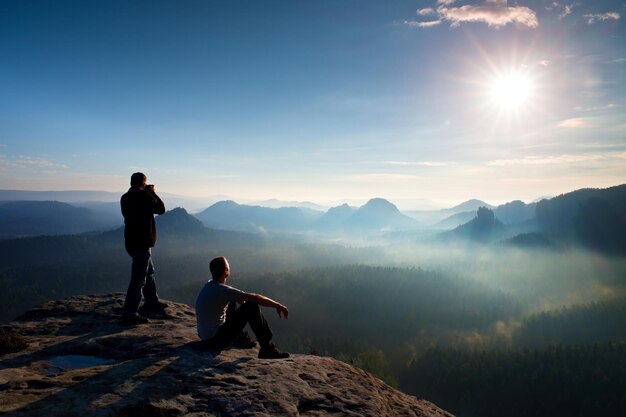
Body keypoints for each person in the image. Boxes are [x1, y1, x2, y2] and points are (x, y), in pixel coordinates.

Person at [196, 256, 290, 359]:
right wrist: (277, 305)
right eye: (228, 266)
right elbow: (255, 299)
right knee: (251, 307)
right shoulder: (222, 290)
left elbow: (240, 300)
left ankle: (239, 339)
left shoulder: (209, 285)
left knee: (232, 302)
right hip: (214, 341)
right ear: (226, 271)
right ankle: (266, 348)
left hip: (205, 337)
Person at [120, 172, 167, 324]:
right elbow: (161, 209)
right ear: (143, 183)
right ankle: (130, 313)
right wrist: (152, 193)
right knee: (138, 279)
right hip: (142, 243)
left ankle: (151, 300)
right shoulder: (144, 197)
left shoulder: (125, 197)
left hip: (131, 242)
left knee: (149, 272)